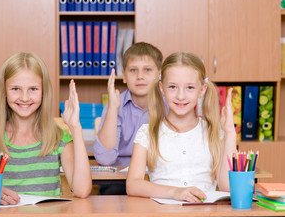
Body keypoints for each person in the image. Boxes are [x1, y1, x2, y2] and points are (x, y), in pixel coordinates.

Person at [0, 52, 92, 204]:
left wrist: (75, 127)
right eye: (15, 89)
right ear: (4, 92)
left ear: (44, 92)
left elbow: (82, 190)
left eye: (33, 89)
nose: (24, 97)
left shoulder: (59, 139)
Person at [126, 52, 236, 202]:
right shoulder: (147, 133)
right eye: (172, 87)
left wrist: (230, 133)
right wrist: (176, 192)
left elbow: (227, 187)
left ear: (202, 90)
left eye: (190, 87)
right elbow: (133, 185)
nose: (181, 96)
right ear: (162, 88)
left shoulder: (214, 133)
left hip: (204, 213)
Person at [93, 42, 163, 195]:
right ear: (124, 76)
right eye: (133, 70)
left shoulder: (169, 105)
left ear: (159, 75)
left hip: (159, 176)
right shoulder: (115, 105)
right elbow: (105, 159)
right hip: (120, 179)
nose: (140, 76)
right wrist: (113, 108)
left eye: (147, 70)